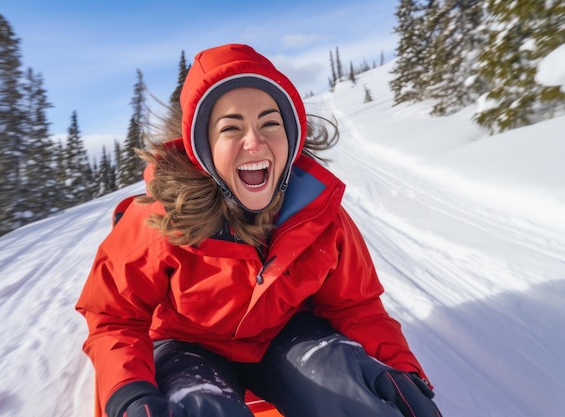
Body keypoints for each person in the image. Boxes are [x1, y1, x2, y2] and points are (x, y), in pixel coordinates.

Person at [76, 43, 442, 417]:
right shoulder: (160, 220)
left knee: (358, 395)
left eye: (270, 123)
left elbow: (358, 306)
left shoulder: (319, 216)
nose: (255, 142)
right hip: (187, 345)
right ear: (203, 147)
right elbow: (114, 317)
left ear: (292, 137)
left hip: (286, 337)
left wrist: (402, 371)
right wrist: (130, 394)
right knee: (199, 406)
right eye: (231, 128)